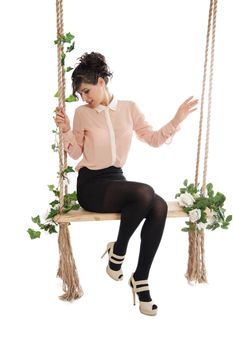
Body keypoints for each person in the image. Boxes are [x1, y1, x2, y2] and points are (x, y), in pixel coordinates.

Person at [55, 52, 198, 316]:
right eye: (81, 95)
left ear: (101, 81)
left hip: (116, 182)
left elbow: (153, 139)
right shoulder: (82, 114)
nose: (85, 98)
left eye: (87, 90)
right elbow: (75, 153)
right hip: (92, 186)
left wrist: (177, 119)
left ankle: (140, 279)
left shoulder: (129, 108)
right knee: (145, 193)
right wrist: (65, 129)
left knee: (157, 206)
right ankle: (118, 254)